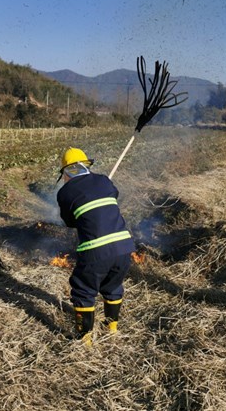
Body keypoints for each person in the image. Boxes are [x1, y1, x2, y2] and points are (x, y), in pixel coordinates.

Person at [56, 147, 135, 345]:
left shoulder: (65, 192)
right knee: (113, 286)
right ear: (85, 166)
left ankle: (85, 340)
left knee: (83, 290)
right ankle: (112, 330)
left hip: (96, 250)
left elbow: (70, 222)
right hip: (124, 247)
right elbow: (112, 198)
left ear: (66, 172)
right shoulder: (103, 180)